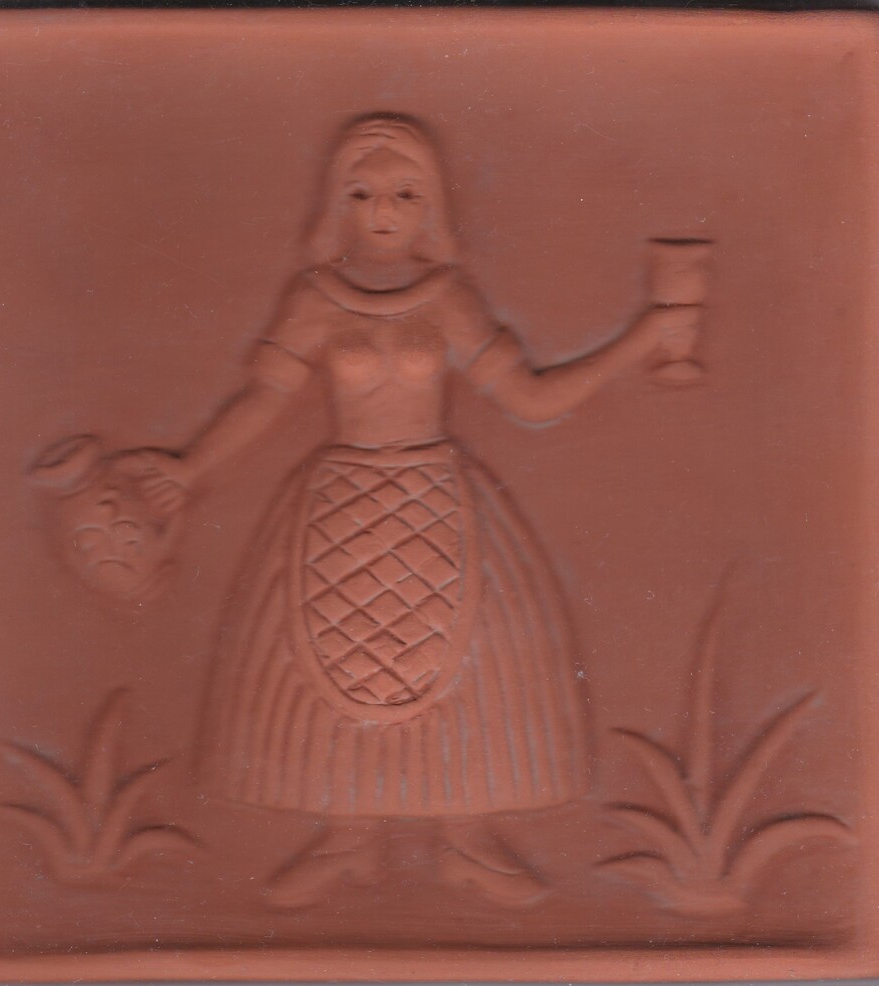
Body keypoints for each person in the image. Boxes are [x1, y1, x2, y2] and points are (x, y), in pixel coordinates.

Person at [130, 113, 699, 908]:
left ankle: (469, 845)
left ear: (431, 207)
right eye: (363, 194)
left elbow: (530, 398)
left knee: (460, 662)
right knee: (334, 660)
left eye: (404, 194)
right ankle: (345, 841)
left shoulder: (448, 297)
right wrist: (190, 468)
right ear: (337, 204)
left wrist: (642, 340)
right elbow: (263, 400)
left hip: (436, 502)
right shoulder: (315, 298)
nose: (384, 212)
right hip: (340, 507)